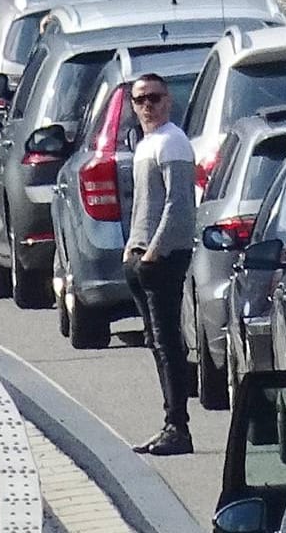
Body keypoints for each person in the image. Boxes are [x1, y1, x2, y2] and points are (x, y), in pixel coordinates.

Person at [122, 72, 197, 456]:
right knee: (155, 341)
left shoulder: (173, 143)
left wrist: (154, 251)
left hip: (163, 258)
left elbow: (178, 205)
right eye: (140, 100)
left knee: (168, 343)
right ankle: (169, 422)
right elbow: (143, 205)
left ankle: (178, 427)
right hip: (141, 255)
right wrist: (132, 249)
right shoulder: (146, 144)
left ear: (168, 101)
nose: (147, 106)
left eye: (154, 98)